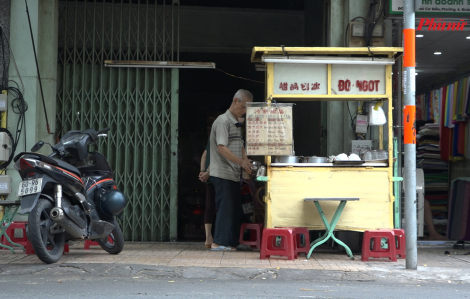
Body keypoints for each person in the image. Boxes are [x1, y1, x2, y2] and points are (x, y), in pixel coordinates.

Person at [209, 89, 253, 251]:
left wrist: (245, 161)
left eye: (246, 108)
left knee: (234, 208)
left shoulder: (235, 122)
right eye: (243, 107)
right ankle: (218, 242)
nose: (244, 111)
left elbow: (239, 144)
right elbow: (222, 148)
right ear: (235, 101)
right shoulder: (223, 121)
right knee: (225, 208)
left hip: (233, 173)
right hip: (222, 172)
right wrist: (241, 162)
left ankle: (232, 241)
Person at [198, 139, 216, 248]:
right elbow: (217, 157)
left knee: (209, 207)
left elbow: (204, 155)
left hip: (209, 178)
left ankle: (208, 237)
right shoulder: (220, 137)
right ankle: (217, 237)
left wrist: (202, 171)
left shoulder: (211, 139)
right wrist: (207, 173)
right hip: (217, 177)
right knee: (220, 207)